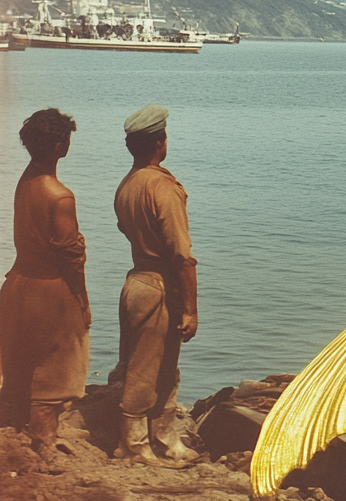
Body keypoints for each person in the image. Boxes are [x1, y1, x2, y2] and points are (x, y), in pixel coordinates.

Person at [0, 109, 89, 468]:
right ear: (58, 144)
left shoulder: (28, 179)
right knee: (56, 371)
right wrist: (81, 301)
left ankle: (12, 431)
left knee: (20, 368)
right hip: (49, 290)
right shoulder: (60, 196)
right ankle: (44, 442)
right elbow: (70, 258)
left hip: (17, 284)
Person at [111, 105, 199, 466]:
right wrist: (192, 309)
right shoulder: (162, 187)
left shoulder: (128, 185)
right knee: (145, 370)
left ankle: (165, 436)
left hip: (137, 279)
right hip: (159, 284)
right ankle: (134, 445)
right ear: (160, 143)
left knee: (164, 365)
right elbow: (182, 254)